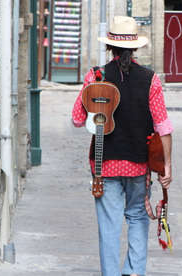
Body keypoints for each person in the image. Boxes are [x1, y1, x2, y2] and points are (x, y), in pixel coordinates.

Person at [71, 16, 173, 276]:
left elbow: (76, 119)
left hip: (104, 164)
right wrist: (166, 166)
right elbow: (163, 127)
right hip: (138, 165)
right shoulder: (151, 79)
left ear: (110, 47)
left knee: (109, 225)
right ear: (135, 48)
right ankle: (134, 272)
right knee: (138, 217)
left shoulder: (95, 76)